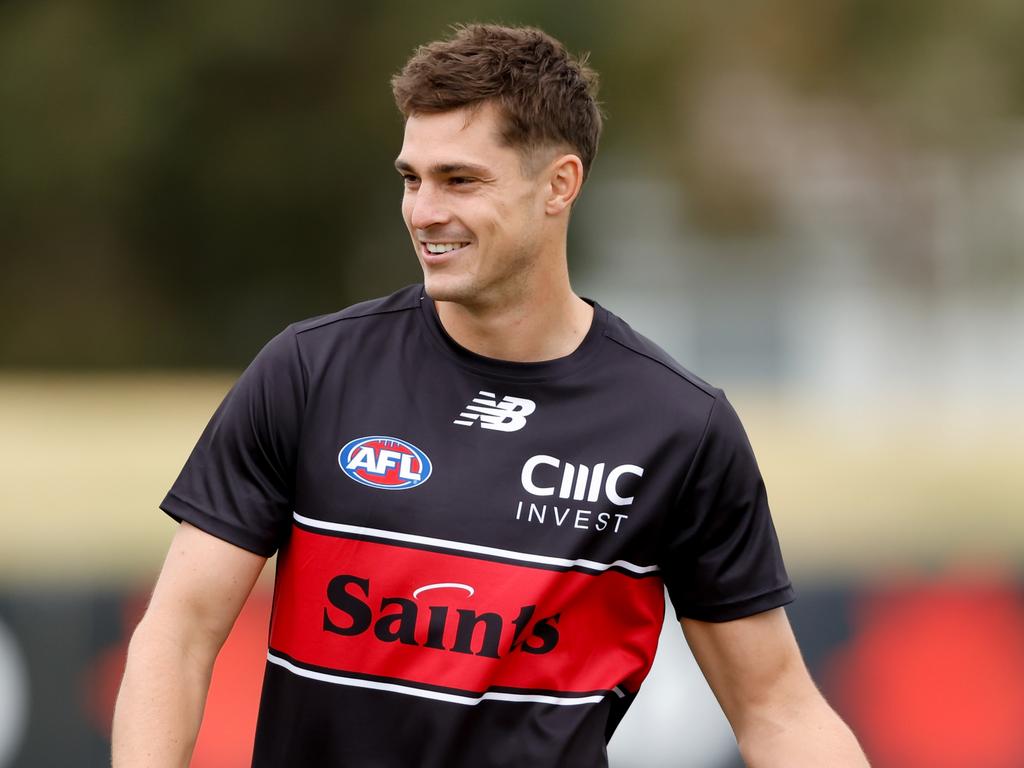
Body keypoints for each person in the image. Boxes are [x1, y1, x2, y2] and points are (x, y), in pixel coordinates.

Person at [113, 23, 869, 768]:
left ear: (559, 185)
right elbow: (177, 635)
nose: (423, 211)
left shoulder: (678, 427)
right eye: (412, 178)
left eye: (460, 180)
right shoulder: (309, 371)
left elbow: (776, 708)